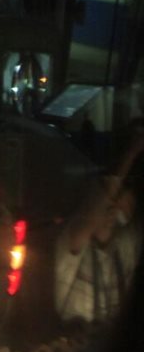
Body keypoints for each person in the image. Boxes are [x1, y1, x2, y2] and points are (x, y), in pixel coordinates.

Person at [55, 121, 144, 326]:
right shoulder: (71, 243)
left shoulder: (128, 241)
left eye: (123, 202)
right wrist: (130, 155)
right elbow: (91, 217)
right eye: (108, 203)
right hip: (75, 340)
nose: (112, 210)